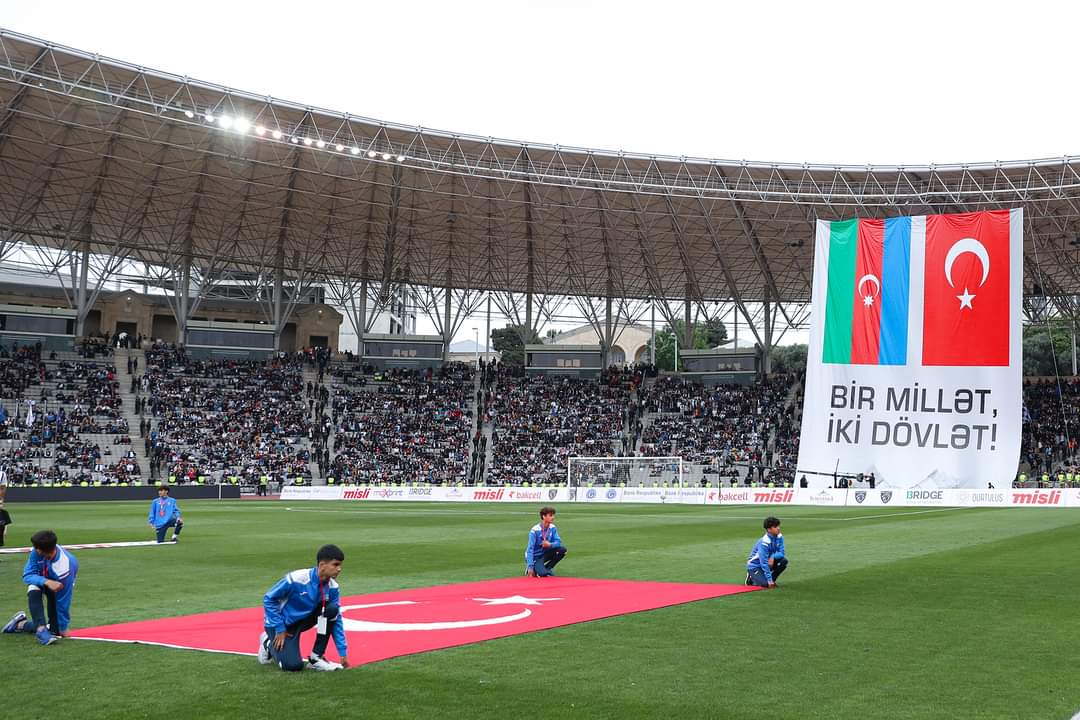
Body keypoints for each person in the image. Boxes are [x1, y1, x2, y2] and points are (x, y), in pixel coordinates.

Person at [258, 544, 349, 672]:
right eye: (336, 565)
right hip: (280, 624)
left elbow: (336, 619)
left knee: (331, 610)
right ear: (322, 565)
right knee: (293, 666)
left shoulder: (333, 587)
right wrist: (279, 628)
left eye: (340, 565)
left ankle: (316, 658)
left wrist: (342, 651)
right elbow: (268, 599)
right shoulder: (296, 579)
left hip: (303, 621)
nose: (339, 569)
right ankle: (267, 642)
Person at [2, 529, 79, 645]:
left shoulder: (65, 567)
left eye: (36, 548)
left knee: (55, 631)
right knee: (33, 587)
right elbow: (27, 575)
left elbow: (64, 599)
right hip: (43, 582)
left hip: (58, 588)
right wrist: (46, 581)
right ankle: (41, 629)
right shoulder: (37, 551)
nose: (34, 550)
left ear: (46, 549)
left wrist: (63, 627)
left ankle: (20, 624)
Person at [745, 516, 787, 589]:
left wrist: (773, 556)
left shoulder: (779, 537)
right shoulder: (764, 542)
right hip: (755, 565)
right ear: (769, 529)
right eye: (775, 526)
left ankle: (771, 581)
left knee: (783, 561)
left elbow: (782, 553)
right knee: (765, 585)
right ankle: (751, 578)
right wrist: (769, 580)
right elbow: (763, 563)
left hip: (768, 561)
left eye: (778, 526)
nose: (778, 528)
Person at [525, 506, 567, 577]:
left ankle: (548, 568)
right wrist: (530, 566)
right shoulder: (535, 530)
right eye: (550, 515)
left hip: (544, 554)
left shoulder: (552, 527)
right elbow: (530, 549)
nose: (553, 517)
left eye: (553, 515)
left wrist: (550, 545)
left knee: (563, 550)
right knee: (542, 574)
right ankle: (535, 568)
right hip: (535, 556)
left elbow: (558, 542)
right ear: (544, 516)